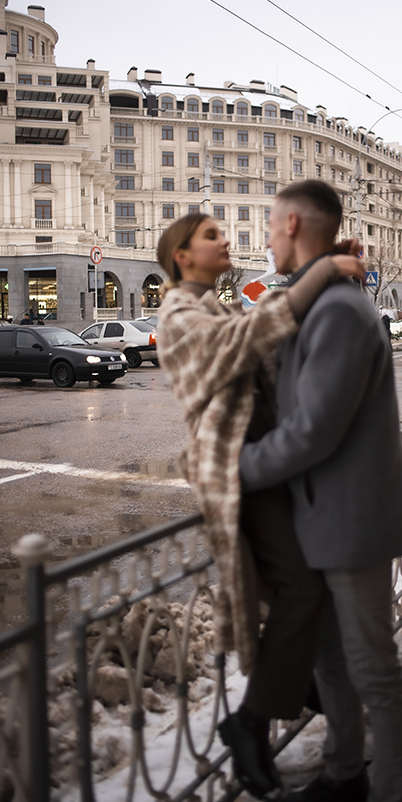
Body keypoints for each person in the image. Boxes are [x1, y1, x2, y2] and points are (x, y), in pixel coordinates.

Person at [156, 212, 364, 799]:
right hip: (237, 472)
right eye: (211, 236)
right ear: (182, 256)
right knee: (299, 587)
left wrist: (315, 266)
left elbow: (264, 329)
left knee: (300, 587)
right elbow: (247, 340)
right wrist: (320, 270)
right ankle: (251, 720)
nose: (226, 241)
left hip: (269, 464)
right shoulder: (176, 316)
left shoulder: (217, 305)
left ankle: (293, 689)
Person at [239, 181, 402, 802]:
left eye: (267, 225)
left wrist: (235, 469)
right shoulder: (323, 299)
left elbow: (313, 430)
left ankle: (391, 791)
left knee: (374, 670)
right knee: (331, 662)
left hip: (351, 523)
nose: (264, 237)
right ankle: (345, 774)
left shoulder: (340, 309)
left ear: (290, 224)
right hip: (324, 520)